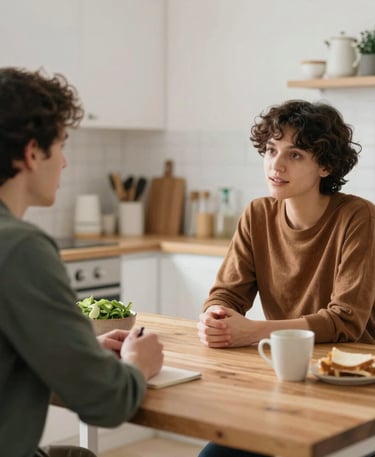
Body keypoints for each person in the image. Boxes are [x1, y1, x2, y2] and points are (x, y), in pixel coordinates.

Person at [0, 67, 164, 457]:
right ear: (32, 153)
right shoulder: (20, 247)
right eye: (61, 146)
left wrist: (81, 350)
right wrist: (137, 365)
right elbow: (105, 402)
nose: (66, 163)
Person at [197, 99, 375, 457]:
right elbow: (226, 294)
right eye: (271, 150)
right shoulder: (257, 214)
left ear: (325, 165)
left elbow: (346, 320)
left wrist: (253, 331)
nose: (275, 165)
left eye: (294, 155)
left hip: (352, 381)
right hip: (286, 373)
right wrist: (214, 317)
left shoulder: (358, 216)